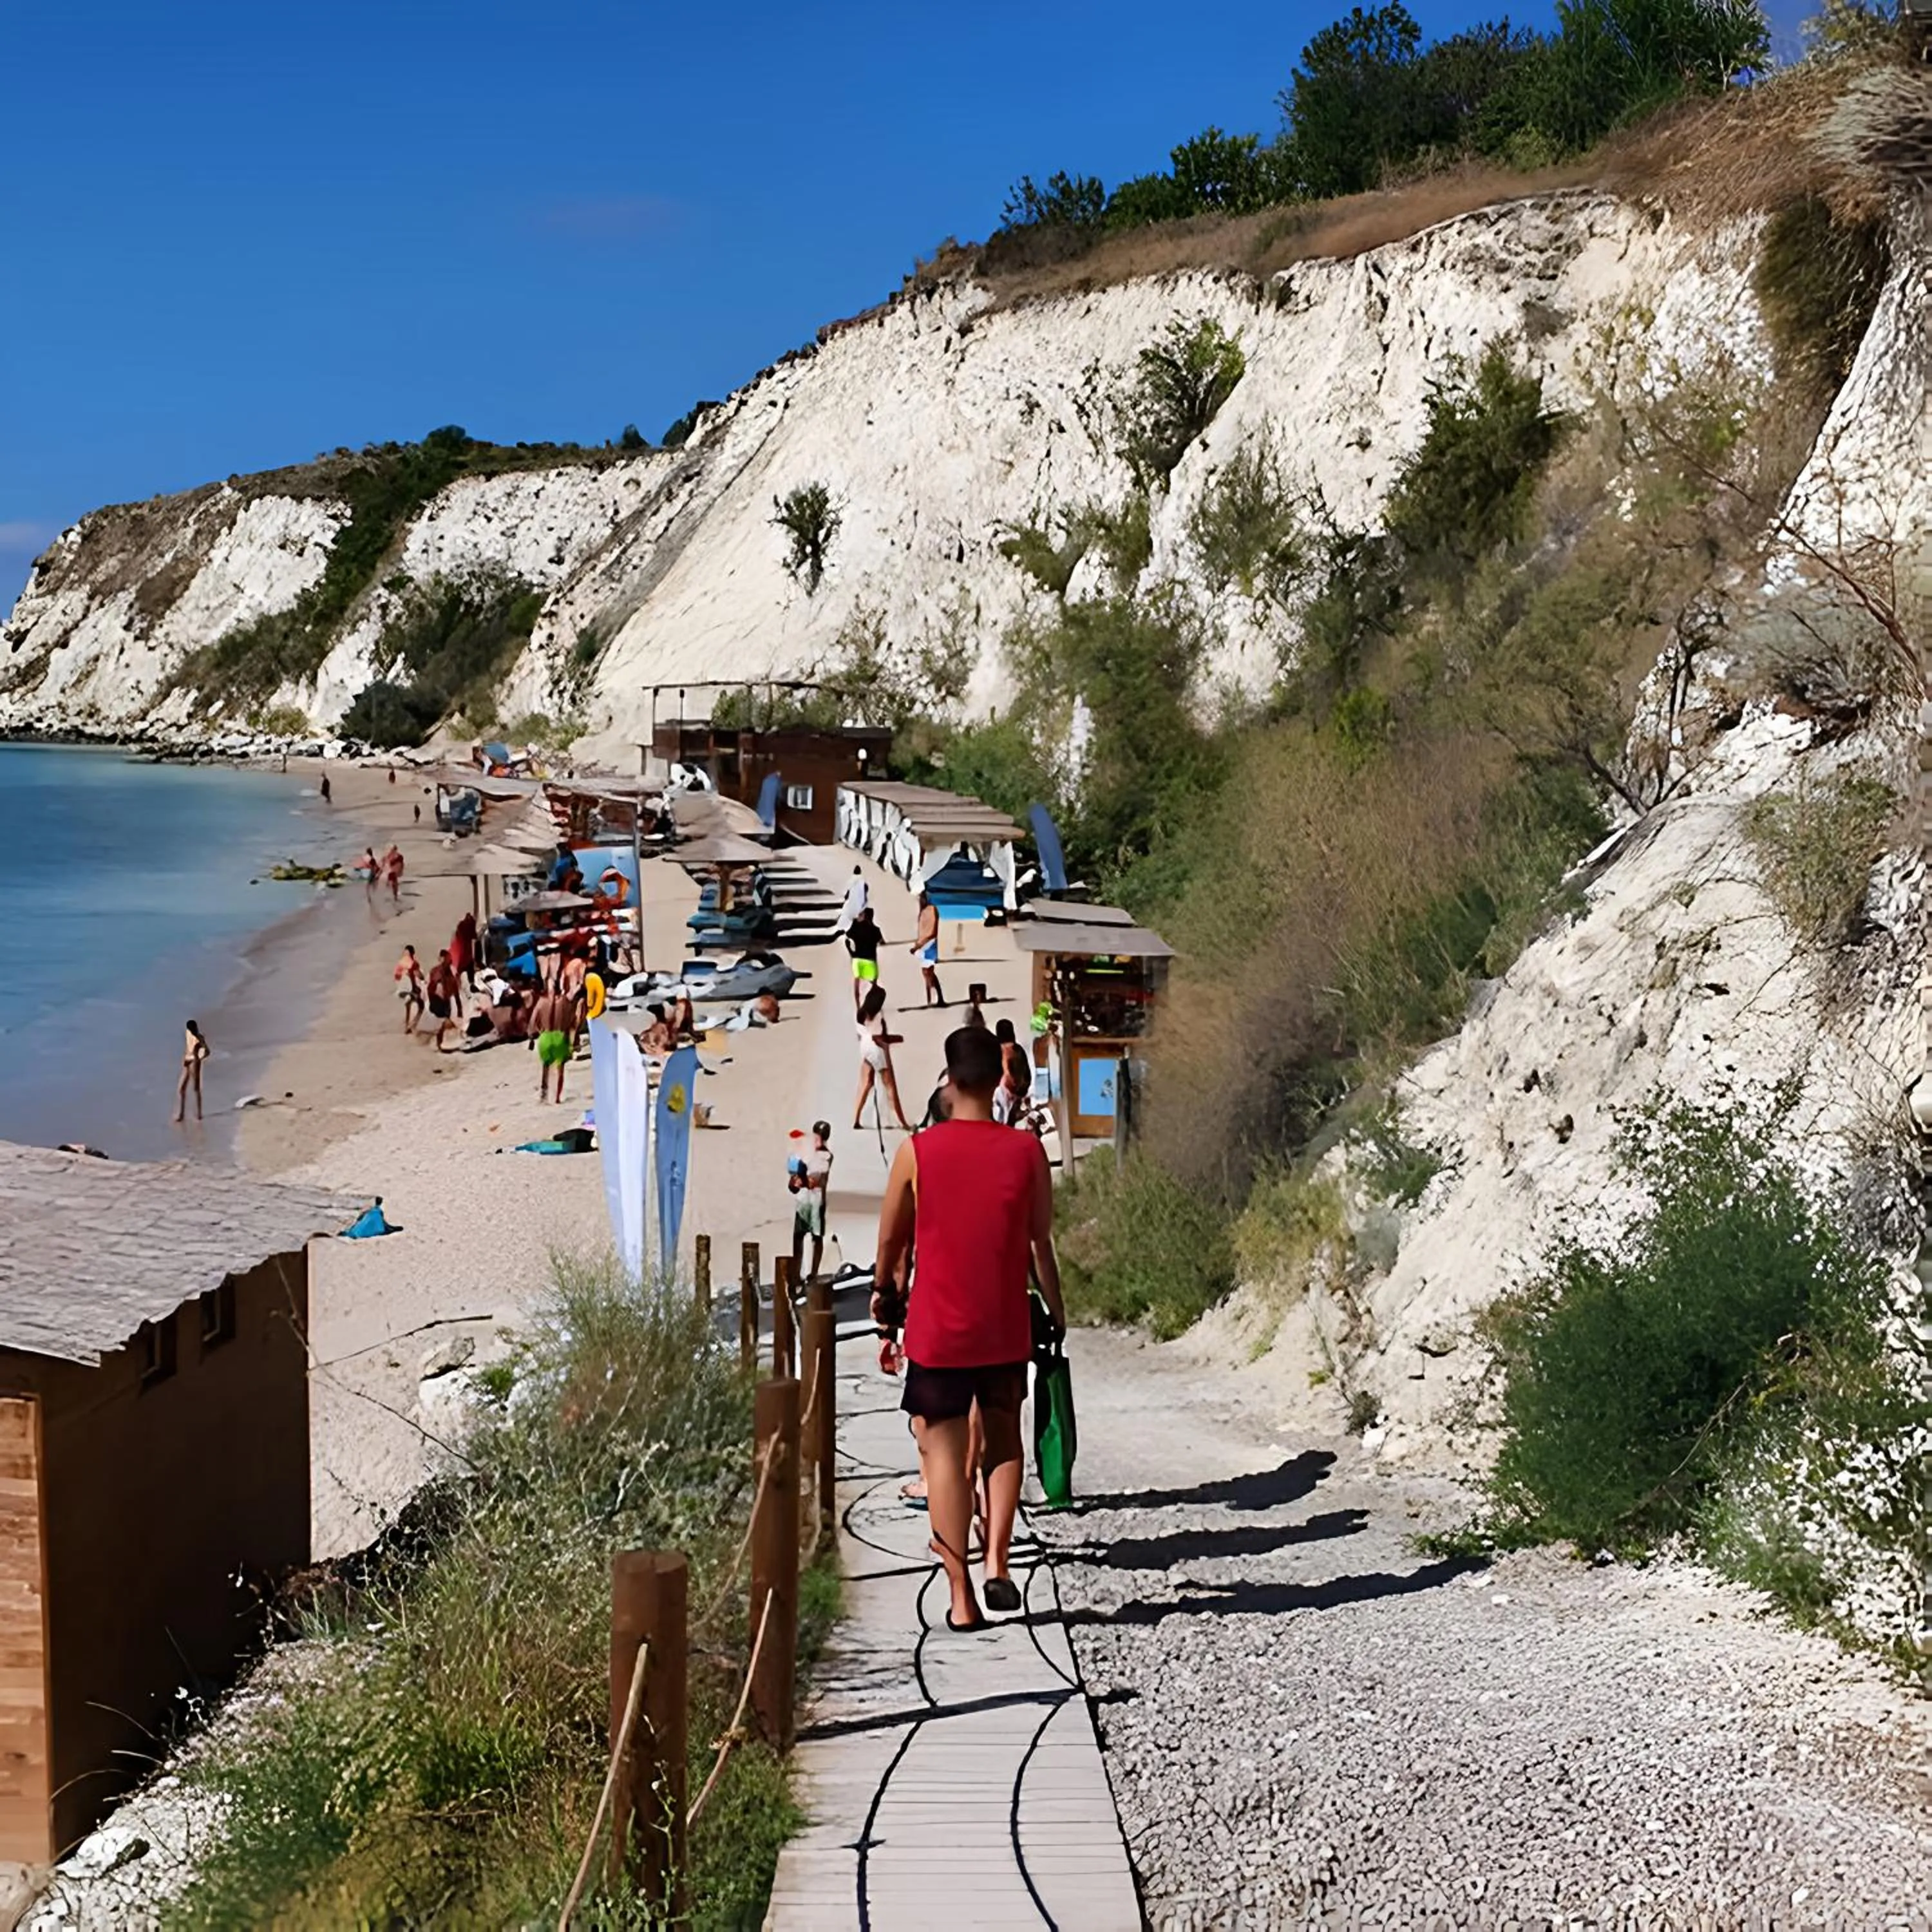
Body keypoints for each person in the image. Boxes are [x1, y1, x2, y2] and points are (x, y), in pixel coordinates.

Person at [873, 1026, 1066, 1631]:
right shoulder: (1027, 1152)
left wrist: (885, 1296)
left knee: (944, 1453)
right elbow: (1040, 1240)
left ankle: (960, 1596)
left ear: (950, 1079)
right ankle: (998, 1563)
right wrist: (1056, 1311)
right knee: (1004, 1442)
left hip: (939, 1329)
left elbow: (891, 1240)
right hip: (1003, 1323)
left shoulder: (918, 1151)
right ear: (998, 1079)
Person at [853, 984, 913, 1131]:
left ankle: (856, 1119)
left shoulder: (861, 1013)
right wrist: (895, 1039)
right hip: (876, 1049)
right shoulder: (878, 1016)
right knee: (890, 1086)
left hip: (865, 1046)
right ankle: (902, 1122)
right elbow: (878, 1037)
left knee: (866, 1084)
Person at [788, 1122, 833, 1284]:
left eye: (820, 1137)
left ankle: (813, 1273)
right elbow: (795, 1173)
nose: (817, 1140)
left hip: (817, 1201)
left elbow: (814, 1180)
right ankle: (796, 1271)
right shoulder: (805, 1153)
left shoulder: (826, 1157)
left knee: (816, 1237)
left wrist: (801, 1179)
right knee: (798, 1237)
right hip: (803, 1201)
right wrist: (794, 1181)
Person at [531, 981, 574, 1100]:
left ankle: (544, 1092)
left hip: (545, 1036)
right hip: (559, 1036)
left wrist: (536, 1034)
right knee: (560, 1069)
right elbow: (570, 1020)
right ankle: (557, 1098)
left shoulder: (541, 1002)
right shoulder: (564, 1001)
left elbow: (533, 1022)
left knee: (546, 1066)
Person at [993, 1017, 1033, 1126]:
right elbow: (1027, 1072)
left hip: (1002, 1092)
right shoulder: (1018, 1050)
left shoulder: (996, 1051)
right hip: (1020, 1090)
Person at [911, 891, 944, 1007]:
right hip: (924, 945)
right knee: (927, 973)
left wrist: (919, 946)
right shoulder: (925, 911)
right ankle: (931, 998)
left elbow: (932, 932)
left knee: (928, 972)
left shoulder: (931, 911)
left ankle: (935, 998)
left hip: (929, 945)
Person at [846, 904, 882, 1014]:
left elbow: (848, 938)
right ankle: (872, 1007)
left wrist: (851, 952)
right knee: (873, 985)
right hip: (870, 960)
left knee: (857, 986)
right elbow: (880, 941)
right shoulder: (875, 929)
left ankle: (858, 1008)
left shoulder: (855, 927)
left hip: (857, 960)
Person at [425, 948, 462, 1053]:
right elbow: (431, 987)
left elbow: (455, 991)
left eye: (449, 961)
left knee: (442, 1025)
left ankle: (439, 1043)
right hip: (437, 1001)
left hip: (445, 1002)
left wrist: (459, 1008)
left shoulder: (450, 975)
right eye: (446, 960)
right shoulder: (436, 972)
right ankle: (439, 1043)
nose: (448, 962)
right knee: (443, 1023)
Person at [173, 1019, 210, 1123]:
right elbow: (188, 1048)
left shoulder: (199, 1039)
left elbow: (207, 1052)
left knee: (196, 1088)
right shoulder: (188, 1034)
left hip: (194, 1063)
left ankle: (199, 1114)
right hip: (187, 1062)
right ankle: (181, 1114)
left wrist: (199, 1058)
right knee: (181, 1089)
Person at [393, 943, 425, 1034]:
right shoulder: (413, 963)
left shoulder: (400, 963)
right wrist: (418, 985)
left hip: (401, 990)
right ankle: (412, 1025)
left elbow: (396, 977)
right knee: (421, 1006)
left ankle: (407, 1025)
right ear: (413, 953)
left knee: (408, 1005)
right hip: (410, 989)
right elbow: (419, 976)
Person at [450, 911, 478, 990]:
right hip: (466, 955)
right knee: (469, 972)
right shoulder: (468, 927)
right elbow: (474, 936)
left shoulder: (461, 926)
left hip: (463, 954)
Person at [837, 865, 868, 934]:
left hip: (851, 904)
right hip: (860, 904)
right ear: (860, 872)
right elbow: (865, 892)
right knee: (860, 919)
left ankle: (843, 929)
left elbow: (847, 894)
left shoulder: (851, 880)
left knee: (847, 915)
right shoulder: (863, 881)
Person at [383, 844, 405, 911]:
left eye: (393, 849)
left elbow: (402, 864)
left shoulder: (396, 856)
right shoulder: (395, 856)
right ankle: (394, 896)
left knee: (393, 883)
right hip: (392, 871)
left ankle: (394, 897)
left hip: (393, 871)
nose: (392, 850)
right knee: (393, 883)